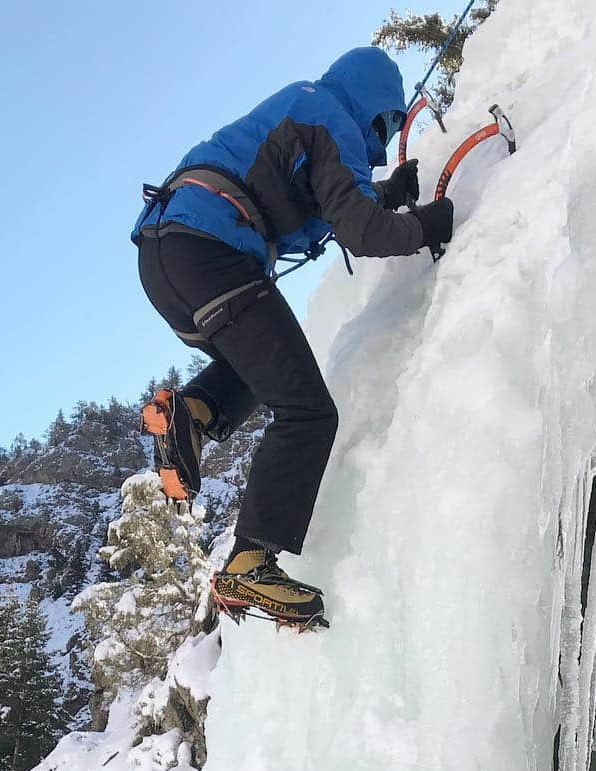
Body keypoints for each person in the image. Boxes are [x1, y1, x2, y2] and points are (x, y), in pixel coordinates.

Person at [133, 46, 453, 627]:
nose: (383, 138)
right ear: (375, 102)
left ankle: (193, 413)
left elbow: (341, 204)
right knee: (308, 411)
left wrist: (389, 193)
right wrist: (432, 222)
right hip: (212, 251)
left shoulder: (305, 109)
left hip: (165, 260)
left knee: (262, 366)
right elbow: (360, 231)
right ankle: (251, 561)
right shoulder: (329, 114)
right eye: (387, 122)